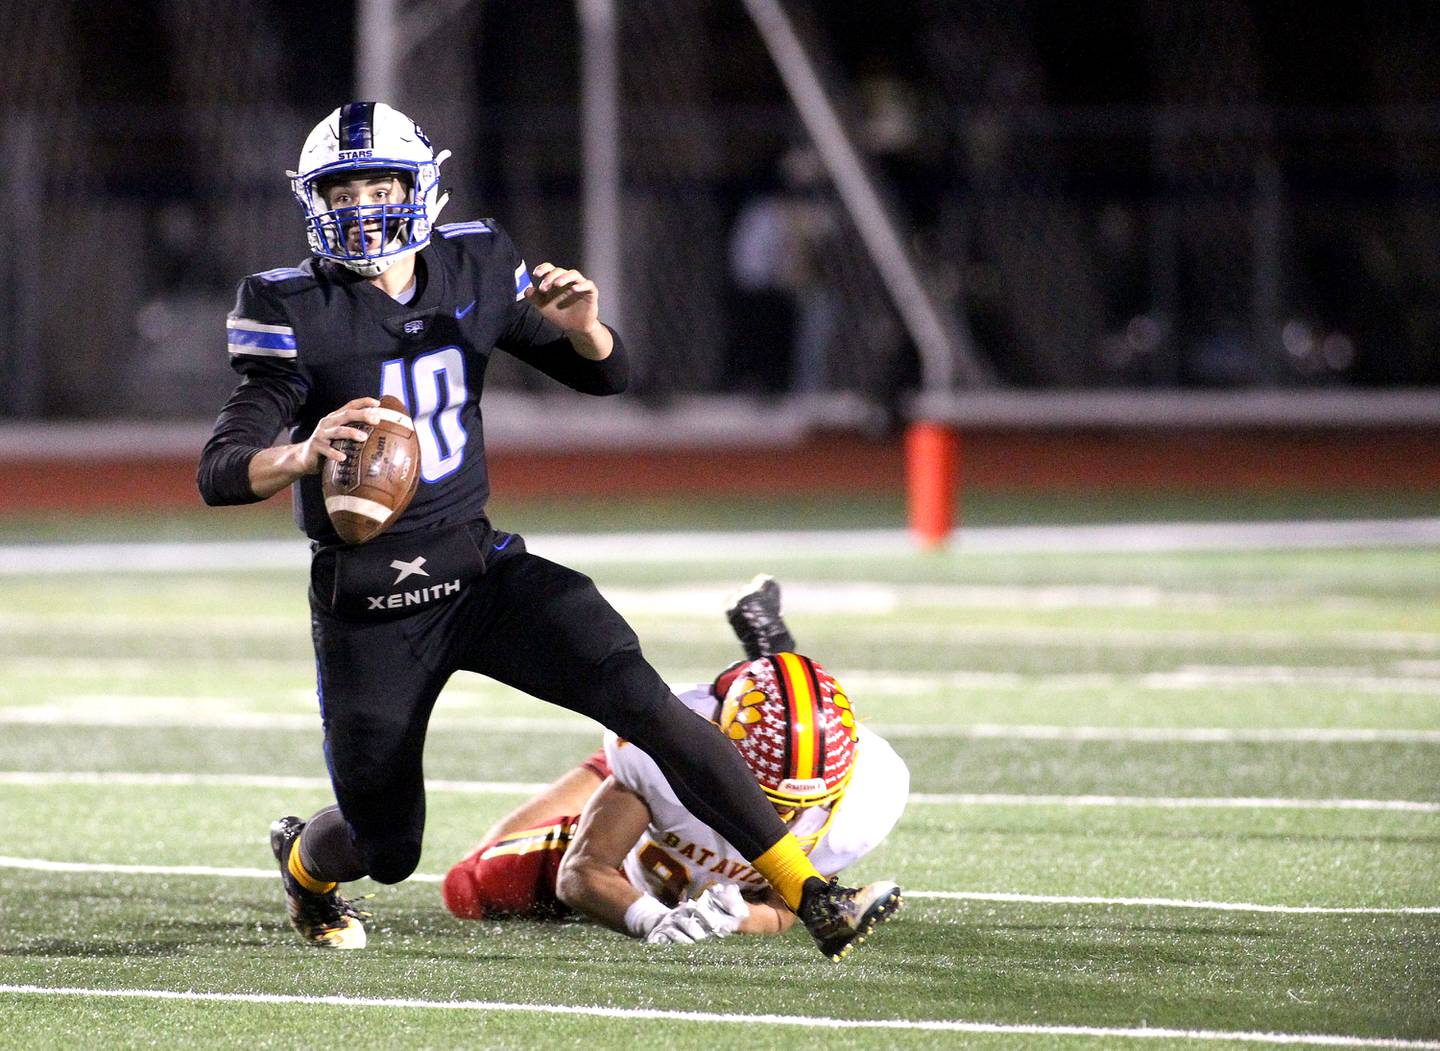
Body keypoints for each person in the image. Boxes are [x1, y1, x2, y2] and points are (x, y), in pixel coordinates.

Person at [195, 103, 901, 960]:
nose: (362, 206)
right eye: (341, 191)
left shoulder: (477, 262)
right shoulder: (292, 305)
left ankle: (813, 893)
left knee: (641, 697)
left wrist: (587, 328)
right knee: (389, 847)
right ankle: (306, 863)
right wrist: (302, 452)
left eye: (379, 184)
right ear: (314, 201)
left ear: (423, 186)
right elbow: (222, 467)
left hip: (480, 570)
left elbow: (606, 375)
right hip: (373, 602)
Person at [442, 576, 909, 946]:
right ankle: (610, 773)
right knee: (467, 884)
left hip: (671, 798)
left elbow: (785, 907)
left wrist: (743, 919)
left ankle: (769, 645)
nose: (782, 820)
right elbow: (582, 872)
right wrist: (648, 919)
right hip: (650, 810)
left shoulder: (870, 795)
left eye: (803, 807)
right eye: (769, 800)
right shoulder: (671, 755)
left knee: (786, 707)